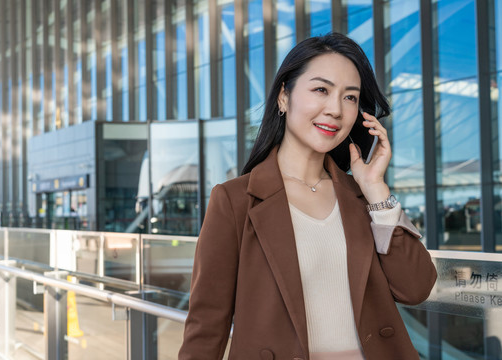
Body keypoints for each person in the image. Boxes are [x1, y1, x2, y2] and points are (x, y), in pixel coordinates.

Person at [178, 33, 437, 360]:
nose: (335, 109)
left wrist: (376, 192)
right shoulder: (235, 201)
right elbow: (206, 324)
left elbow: (416, 289)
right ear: (284, 98)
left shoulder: (362, 199)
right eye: (321, 90)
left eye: (350, 98)